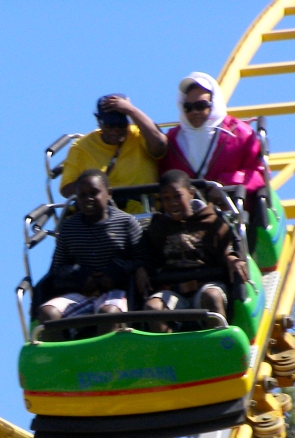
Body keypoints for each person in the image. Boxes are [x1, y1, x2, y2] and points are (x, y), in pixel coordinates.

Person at [158, 73, 269, 247]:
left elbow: (259, 173)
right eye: (188, 107)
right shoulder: (173, 140)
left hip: (231, 214)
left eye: (201, 106)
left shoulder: (240, 133)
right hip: (187, 223)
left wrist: (226, 183)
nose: (194, 112)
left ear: (213, 104)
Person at [136, 170, 248, 330]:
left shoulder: (211, 221)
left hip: (206, 285)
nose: (172, 203)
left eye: (177, 196)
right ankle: (167, 349)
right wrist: (142, 268)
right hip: (174, 291)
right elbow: (149, 257)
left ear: (191, 193)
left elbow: (226, 248)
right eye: (166, 199)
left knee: (212, 297)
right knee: (153, 308)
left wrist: (232, 258)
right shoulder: (158, 227)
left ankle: (217, 345)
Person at [37, 169, 144, 329]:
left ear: (108, 194)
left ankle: (107, 353)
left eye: (94, 193)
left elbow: (142, 261)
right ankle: (64, 354)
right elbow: (57, 268)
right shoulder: (69, 227)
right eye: (82, 195)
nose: (88, 199)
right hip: (82, 292)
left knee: (108, 314)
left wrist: (114, 271)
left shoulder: (126, 223)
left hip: (116, 290)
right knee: (48, 314)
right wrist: (81, 274)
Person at [60, 95, 167, 213]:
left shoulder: (139, 134)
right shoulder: (81, 147)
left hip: (144, 213)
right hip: (102, 217)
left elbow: (160, 146)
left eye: (121, 125)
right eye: (110, 125)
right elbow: (67, 189)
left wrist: (131, 110)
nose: (116, 130)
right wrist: (93, 186)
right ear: (99, 121)